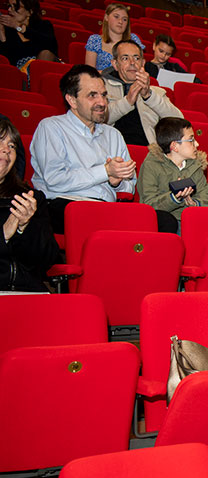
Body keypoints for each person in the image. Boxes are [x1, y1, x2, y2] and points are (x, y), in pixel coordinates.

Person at [30, 65, 139, 233]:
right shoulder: (51, 127)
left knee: (159, 222)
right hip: (65, 205)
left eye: (103, 95)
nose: (102, 102)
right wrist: (105, 171)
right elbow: (55, 179)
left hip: (106, 208)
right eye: (92, 96)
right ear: (72, 100)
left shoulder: (113, 135)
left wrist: (115, 183)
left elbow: (129, 185)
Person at [1, 118, 58, 291]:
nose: (6, 150)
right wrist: (4, 234)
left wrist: (24, 229)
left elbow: (47, 259)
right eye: (0, 141)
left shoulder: (30, 198)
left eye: (12, 146)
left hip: (28, 291)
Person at [102, 40, 182, 146]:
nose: (132, 63)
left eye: (136, 58)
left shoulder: (156, 92)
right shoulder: (102, 89)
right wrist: (127, 101)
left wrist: (148, 96)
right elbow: (97, 120)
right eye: (125, 58)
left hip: (148, 154)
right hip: (111, 150)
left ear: (143, 63)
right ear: (115, 64)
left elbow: (179, 121)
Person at [136, 117, 208, 224]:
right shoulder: (152, 165)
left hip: (191, 221)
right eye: (191, 140)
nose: (197, 144)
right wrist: (174, 198)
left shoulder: (195, 166)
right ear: (174, 146)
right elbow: (148, 205)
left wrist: (195, 204)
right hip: (163, 223)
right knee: (168, 222)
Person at [84, 3, 144, 73]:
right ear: (106, 17)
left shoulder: (134, 39)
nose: (120, 22)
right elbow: (90, 73)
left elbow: (139, 68)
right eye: (116, 17)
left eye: (124, 19)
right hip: (102, 81)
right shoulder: (95, 40)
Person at [0, 0, 58, 69]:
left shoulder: (43, 25)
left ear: (30, 11)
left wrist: (19, 27)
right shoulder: (8, 30)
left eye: (16, 6)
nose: (9, 10)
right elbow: (8, 60)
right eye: (9, 6)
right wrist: (2, 33)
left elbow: (51, 45)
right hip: (21, 72)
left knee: (46, 53)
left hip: (44, 68)